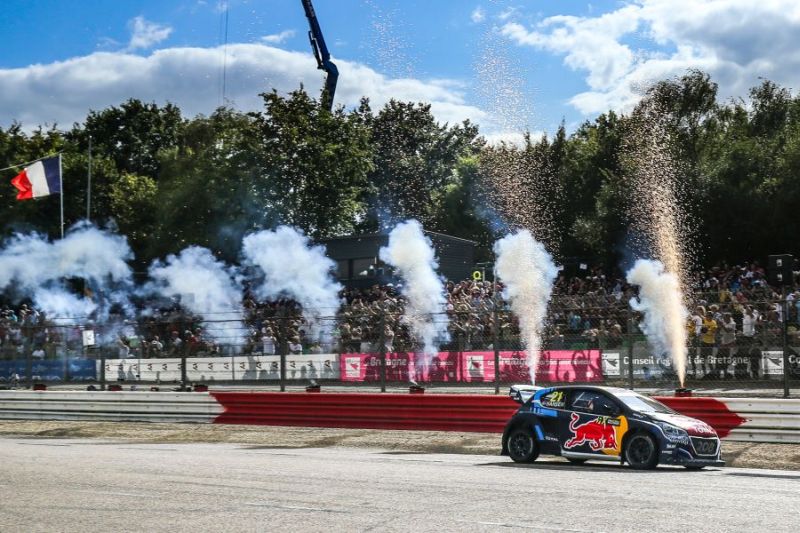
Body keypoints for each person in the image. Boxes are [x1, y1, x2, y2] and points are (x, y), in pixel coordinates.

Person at [718, 312, 736, 379]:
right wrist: (719, 325)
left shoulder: (733, 323)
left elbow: (727, 331)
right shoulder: (723, 322)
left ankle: (729, 373)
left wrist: (722, 325)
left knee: (728, 359)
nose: (724, 319)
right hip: (723, 342)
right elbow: (720, 331)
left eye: (725, 318)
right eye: (724, 318)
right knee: (722, 359)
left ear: (729, 317)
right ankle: (724, 373)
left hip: (730, 343)